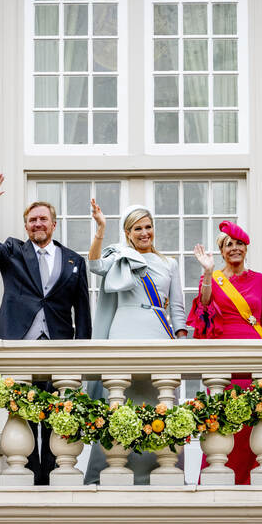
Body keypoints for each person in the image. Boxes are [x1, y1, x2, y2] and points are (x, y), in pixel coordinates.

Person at [0, 173, 91, 485]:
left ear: (53, 224)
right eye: (32, 220)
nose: (38, 224)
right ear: (26, 226)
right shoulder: (13, 252)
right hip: (20, 347)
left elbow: (83, 311)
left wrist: (83, 354)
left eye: (43, 219)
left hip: (59, 349)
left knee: (57, 418)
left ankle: (53, 479)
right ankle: (29, 479)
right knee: (21, 413)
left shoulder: (73, 260)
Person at [84, 200, 187, 485]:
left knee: (159, 403)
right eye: (138, 228)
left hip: (158, 332)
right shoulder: (119, 256)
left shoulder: (169, 263)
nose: (144, 233)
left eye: (148, 227)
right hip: (123, 333)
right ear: (128, 233)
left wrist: (180, 340)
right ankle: (110, 470)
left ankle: (159, 471)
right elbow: (93, 265)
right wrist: (100, 229)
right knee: (120, 402)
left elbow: (177, 308)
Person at [186, 220, 262, 485]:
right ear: (221, 250)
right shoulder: (213, 279)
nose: (235, 248)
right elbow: (203, 309)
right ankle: (215, 483)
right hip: (224, 361)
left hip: (254, 358)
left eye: (239, 243)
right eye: (229, 244)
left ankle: (249, 483)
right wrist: (207, 273)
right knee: (223, 422)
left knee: (253, 423)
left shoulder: (261, 280)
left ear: (246, 248)